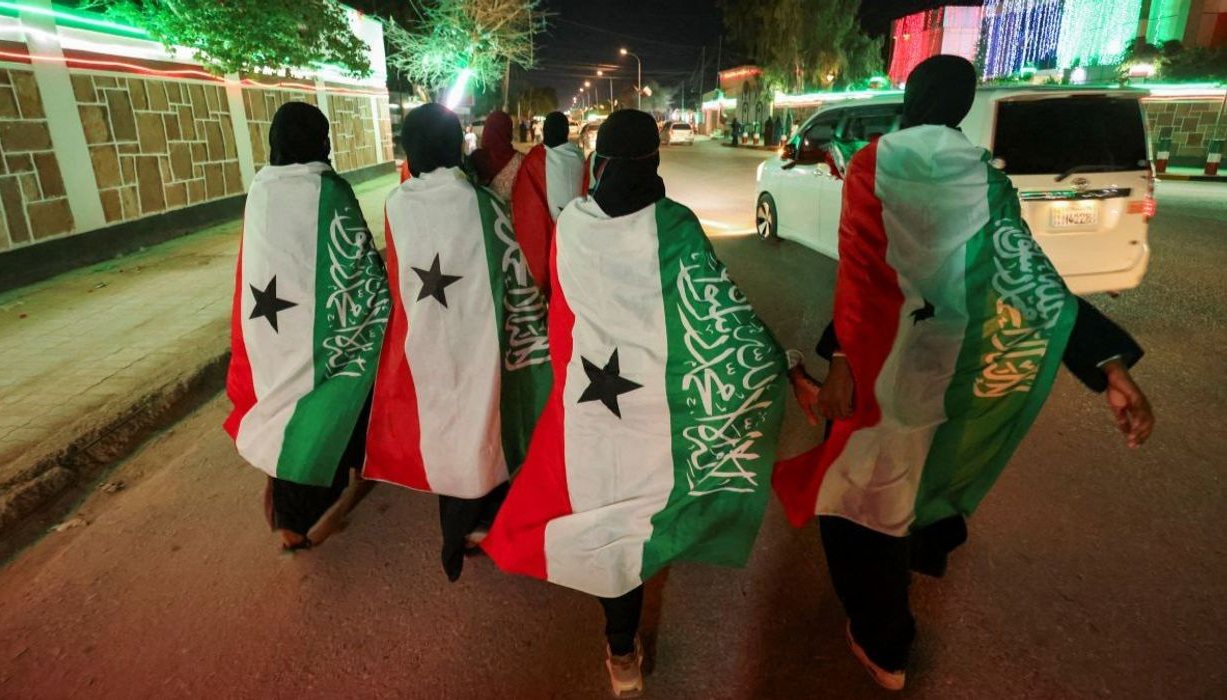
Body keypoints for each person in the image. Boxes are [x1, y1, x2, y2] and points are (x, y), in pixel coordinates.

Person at [772, 55, 1155, 691]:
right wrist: (1105, 362)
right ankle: (909, 584)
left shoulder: (872, 165)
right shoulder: (984, 179)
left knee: (852, 505)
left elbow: (863, 280)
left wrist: (838, 360)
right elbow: (1029, 281)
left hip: (879, 368)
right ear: (962, 105)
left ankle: (884, 646)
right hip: (955, 370)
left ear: (911, 98)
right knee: (917, 480)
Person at [483, 110, 817, 699]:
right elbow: (722, 319)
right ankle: (624, 647)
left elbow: (563, 313)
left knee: (606, 517)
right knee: (644, 517)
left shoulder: (574, 226)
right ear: (653, 164)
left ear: (601, 164)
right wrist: (782, 365)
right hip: (658, 418)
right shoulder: (676, 225)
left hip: (591, 409)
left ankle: (620, 650)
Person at [363, 103, 551, 582]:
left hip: (426, 338)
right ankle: (485, 522)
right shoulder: (481, 203)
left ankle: (457, 528)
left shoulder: (395, 204)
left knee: (443, 422)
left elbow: (397, 275)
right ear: (455, 145)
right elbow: (514, 273)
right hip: (478, 336)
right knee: (485, 417)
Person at [224, 102, 389, 551]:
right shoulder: (328, 190)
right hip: (322, 329)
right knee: (334, 401)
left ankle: (288, 513)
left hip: (274, 325)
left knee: (282, 405)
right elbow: (356, 263)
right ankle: (321, 502)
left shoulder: (260, 189)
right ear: (320, 140)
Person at [510, 111, 586, 294]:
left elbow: (525, 202)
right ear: (566, 131)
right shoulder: (578, 156)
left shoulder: (536, 158)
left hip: (549, 236)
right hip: (577, 232)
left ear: (545, 131)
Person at [468, 111, 524, 204]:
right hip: (512, 217)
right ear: (508, 130)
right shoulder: (521, 162)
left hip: (483, 216)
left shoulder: (475, 159)